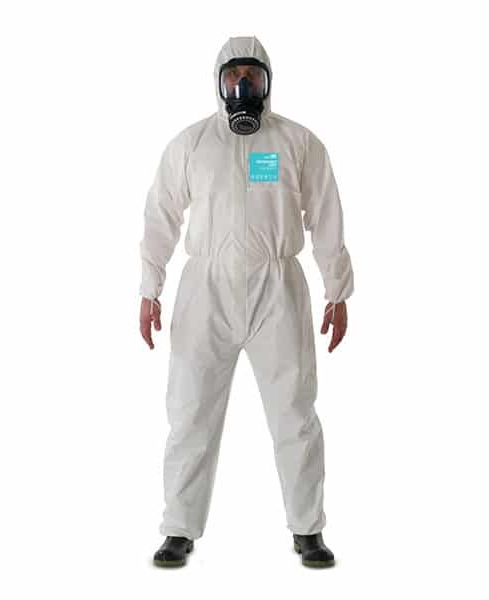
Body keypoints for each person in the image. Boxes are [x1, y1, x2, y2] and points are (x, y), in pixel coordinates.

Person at [138, 36, 354, 568]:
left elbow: (326, 216)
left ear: (268, 82)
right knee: (190, 412)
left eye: (252, 77)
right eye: (234, 76)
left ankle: (308, 529)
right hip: (205, 292)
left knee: (294, 414)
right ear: (218, 82)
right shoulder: (191, 144)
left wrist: (337, 290)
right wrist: (149, 287)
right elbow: (161, 215)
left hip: (278, 290)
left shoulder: (298, 143)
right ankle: (179, 528)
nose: (243, 87)